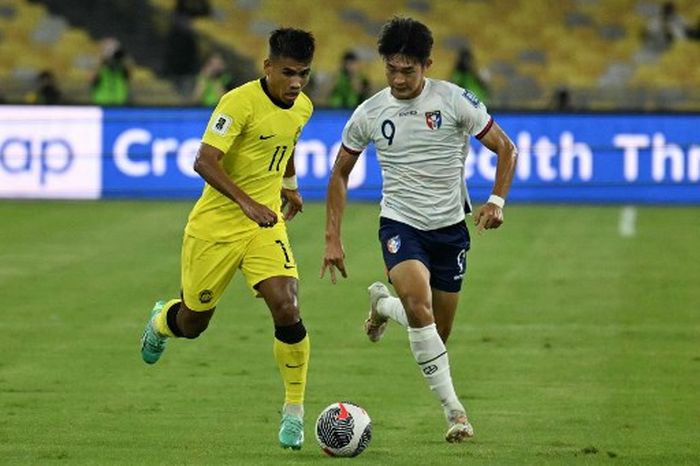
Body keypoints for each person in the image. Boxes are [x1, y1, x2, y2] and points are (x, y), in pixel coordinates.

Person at [321, 17, 517, 443]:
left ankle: (381, 307)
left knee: (434, 333)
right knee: (420, 307)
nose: (398, 78)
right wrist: (332, 237)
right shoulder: (370, 112)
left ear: (427, 65)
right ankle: (456, 413)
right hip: (400, 224)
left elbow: (506, 147)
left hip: (450, 229)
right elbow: (339, 173)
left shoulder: (453, 101)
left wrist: (496, 201)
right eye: (391, 68)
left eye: (408, 70)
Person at [140, 27, 316, 451]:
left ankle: (294, 412)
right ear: (268, 67)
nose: (296, 83)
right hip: (216, 228)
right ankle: (163, 320)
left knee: (287, 305)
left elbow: (286, 141)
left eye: (304, 74)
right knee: (193, 323)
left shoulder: (303, 106)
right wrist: (246, 203)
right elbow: (204, 160)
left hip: (264, 227)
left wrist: (288, 184)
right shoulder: (237, 103)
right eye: (289, 72)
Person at [91, 38, 131, 106]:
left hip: (120, 104)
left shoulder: (122, 69)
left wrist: (120, 58)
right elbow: (92, 80)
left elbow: (128, 75)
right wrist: (103, 58)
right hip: (102, 104)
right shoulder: (101, 69)